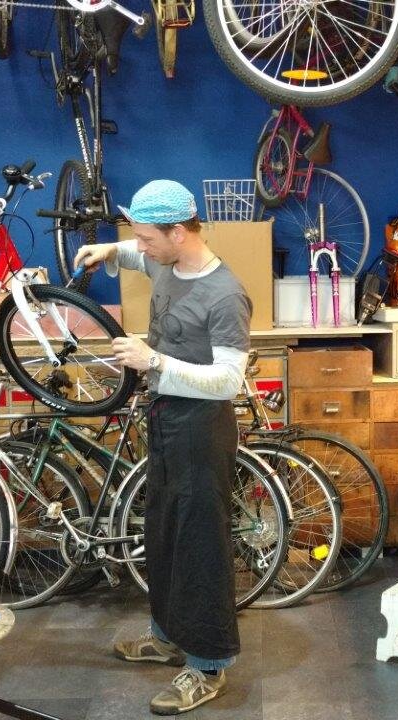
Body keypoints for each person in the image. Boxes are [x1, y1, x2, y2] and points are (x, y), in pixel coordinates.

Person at [73, 179, 250, 716]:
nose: (141, 247)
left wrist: (154, 361)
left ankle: (208, 666)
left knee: (200, 546)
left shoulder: (225, 295)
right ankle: (168, 637)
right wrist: (109, 249)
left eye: (147, 238)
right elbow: (135, 254)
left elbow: (228, 381)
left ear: (179, 233)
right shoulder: (165, 262)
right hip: (166, 419)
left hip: (202, 429)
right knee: (163, 533)